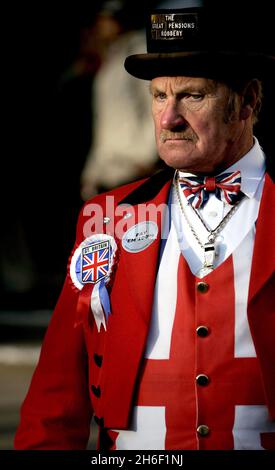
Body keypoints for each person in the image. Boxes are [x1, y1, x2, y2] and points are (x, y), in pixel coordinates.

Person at [14, 0, 275, 450]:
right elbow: (57, 394)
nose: (169, 118)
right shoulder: (107, 217)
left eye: (191, 95)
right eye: (158, 96)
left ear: (247, 101)